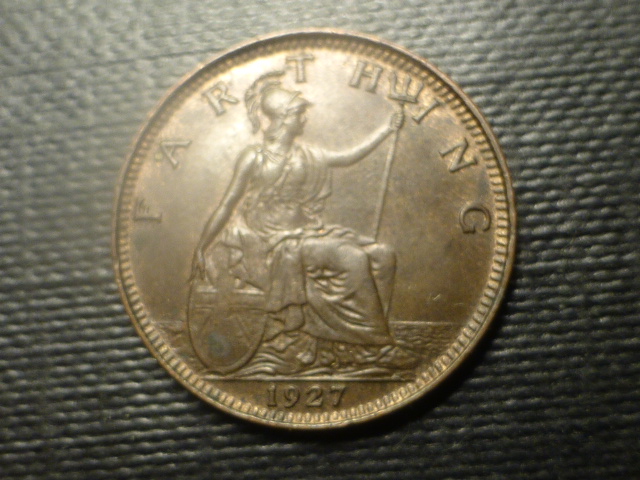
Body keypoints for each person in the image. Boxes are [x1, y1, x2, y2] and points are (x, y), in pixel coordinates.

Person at [191, 71, 407, 375]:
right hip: (271, 242)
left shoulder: (306, 153)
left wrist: (386, 130)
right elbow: (227, 203)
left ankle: (355, 346)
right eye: (299, 114)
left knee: (383, 255)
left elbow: (347, 157)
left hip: (307, 234)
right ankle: (380, 345)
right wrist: (202, 245)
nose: (304, 119)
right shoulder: (254, 157)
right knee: (352, 258)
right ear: (283, 118)